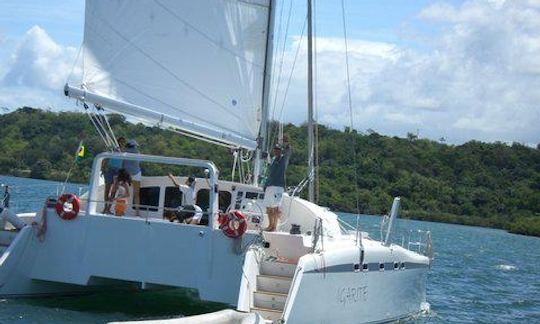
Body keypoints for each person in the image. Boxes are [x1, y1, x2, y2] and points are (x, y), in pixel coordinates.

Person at [263, 135, 292, 232]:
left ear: (281, 150)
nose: (276, 151)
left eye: (278, 149)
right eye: (275, 149)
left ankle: (274, 227)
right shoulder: (272, 160)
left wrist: (287, 143)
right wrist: (265, 185)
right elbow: (269, 174)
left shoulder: (283, 159)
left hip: (278, 186)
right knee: (268, 207)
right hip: (269, 186)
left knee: (275, 207)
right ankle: (270, 225)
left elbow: (288, 152)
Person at [102, 137, 126, 214]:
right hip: (110, 169)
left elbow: (124, 163)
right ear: (117, 142)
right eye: (120, 142)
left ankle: (108, 208)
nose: (121, 144)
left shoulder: (124, 152)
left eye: (123, 142)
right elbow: (106, 158)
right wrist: (103, 169)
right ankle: (105, 208)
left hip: (118, 171)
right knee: (107, 190)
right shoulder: (113, 149)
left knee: (113, 191)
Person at [123, 139, 141, 216]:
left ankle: (121, 210)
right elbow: (139, 162)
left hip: (126, 173)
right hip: (136, 173)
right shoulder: (137, 152)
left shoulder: (124, 151)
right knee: (136, 194)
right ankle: (137, 213)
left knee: (124, 192)